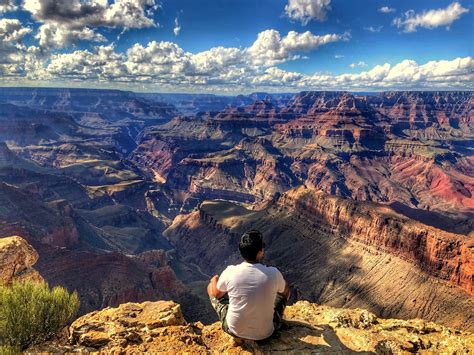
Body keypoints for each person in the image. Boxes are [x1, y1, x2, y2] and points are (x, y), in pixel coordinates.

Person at [207, 229, 290, 341]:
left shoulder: (230, 271)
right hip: (266, 334)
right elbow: (285, 291)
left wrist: (213, 280)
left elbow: (217, 294)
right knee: (283, 292)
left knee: (211, 288)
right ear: (260, 252)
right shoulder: (273, 273)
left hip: (234, 330)